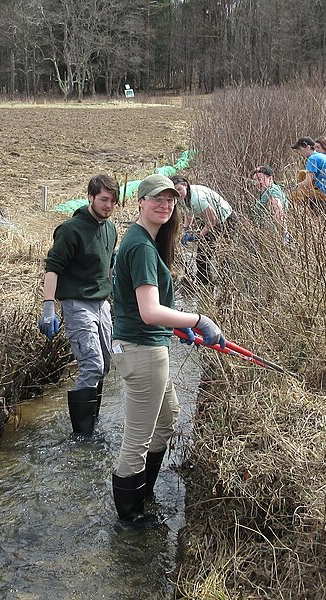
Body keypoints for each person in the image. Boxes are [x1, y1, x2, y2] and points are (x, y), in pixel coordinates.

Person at [110, 173, 226, 521]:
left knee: (168, 418)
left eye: (171, 199)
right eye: (156, 198)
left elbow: (144, 309)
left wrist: (174, 327)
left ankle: (143, 496)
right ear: (140, 202)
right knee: (137, 440)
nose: (164, 204)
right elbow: (148, 311)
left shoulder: (142, 239)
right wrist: (197, 320)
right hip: (142, 351)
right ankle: (130, 521)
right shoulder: (142, 246)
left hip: (145, 345)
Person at [38, 174, 119, 435]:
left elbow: (108, 268)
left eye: (113, 201)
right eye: (104, 200)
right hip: (77, 303)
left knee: (105, 365)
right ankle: (82, 435)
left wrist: (117, 300)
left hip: (102, 303)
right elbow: (53, 268)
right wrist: (49, 307)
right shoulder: (71, 230)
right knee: (92, 364)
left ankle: (92, 422)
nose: (108, 205)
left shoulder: (110, 229)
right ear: (90, 197)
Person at [169, 175, 236, 285]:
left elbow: (212, 220)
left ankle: (224, 282)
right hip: (211, 219)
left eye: (179, 190)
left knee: (219, 252)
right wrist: (185, 229)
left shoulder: (197, 198)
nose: (178, 193)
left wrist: (200, 235)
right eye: (175, 191)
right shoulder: (184, 196)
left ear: (185, 185)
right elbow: (189, 211)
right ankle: (204, 282)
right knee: (202, 254)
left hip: (226, 220)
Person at [289, 137, 326, 212]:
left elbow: (308, 182)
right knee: (302, 173)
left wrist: (294, 187)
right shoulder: (319, 155)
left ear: (308, 147)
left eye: (300, 149)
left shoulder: (312, 159)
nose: (300, 153)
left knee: (294, 195)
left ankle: (316, 209)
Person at [251, 165, 289, 236]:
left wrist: (281, 237)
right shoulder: (267, 191)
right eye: (255, 180)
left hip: (275, 236)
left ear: (270, 178)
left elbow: (279, 216)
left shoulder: (272, 193)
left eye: (260, 179)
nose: (257, 183)